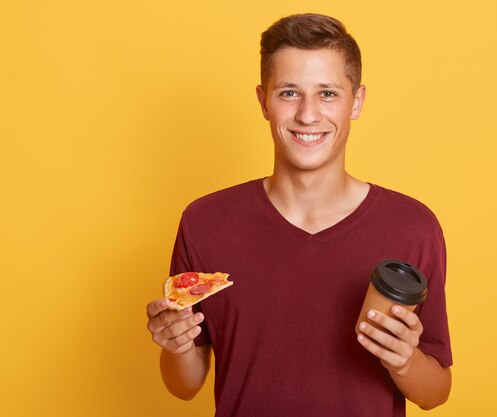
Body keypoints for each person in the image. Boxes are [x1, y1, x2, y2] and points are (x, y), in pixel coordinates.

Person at [146, 13, 452, 416]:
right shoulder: (205, 222)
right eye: (289, 93)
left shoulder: (412, 227)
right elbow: (184, 385)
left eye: (327, 93)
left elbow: (436, 393)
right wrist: (176, 343)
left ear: (356, 101)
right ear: (263, 101)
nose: (308, 115)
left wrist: (404, 361)